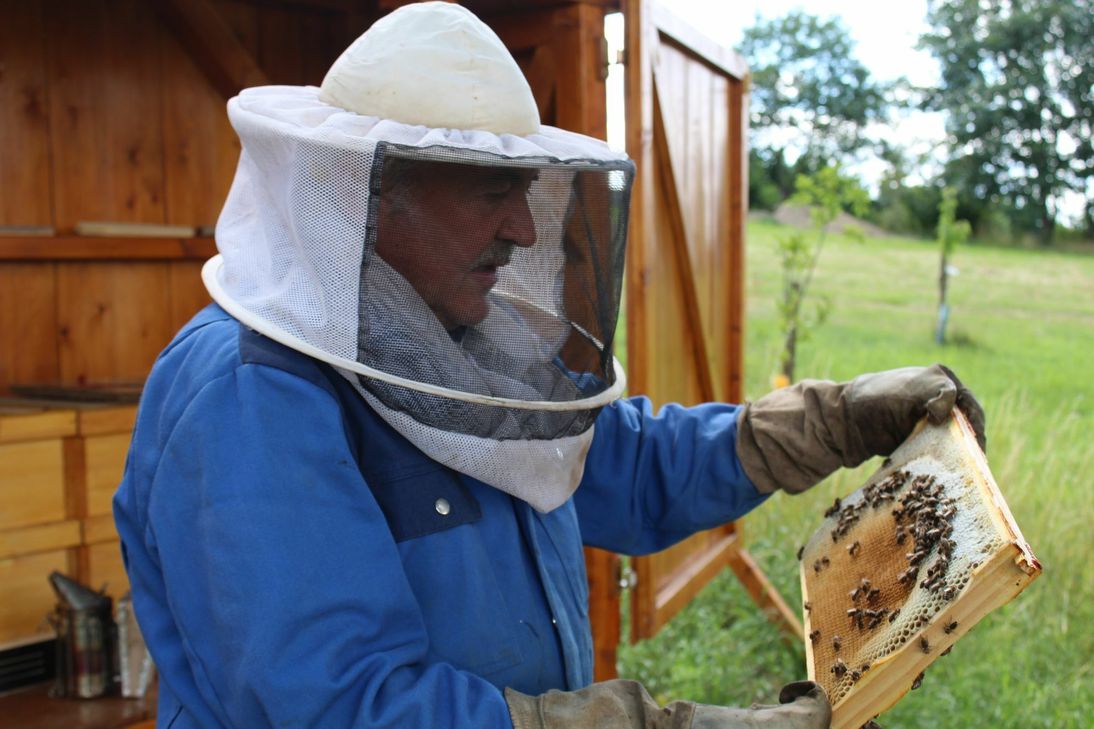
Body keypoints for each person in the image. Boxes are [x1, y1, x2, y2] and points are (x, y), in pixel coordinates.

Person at [112, 3, 985, 728]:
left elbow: (626, 463)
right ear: (379, 193)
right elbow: (340, 705)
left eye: (526, 190)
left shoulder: (456, 341)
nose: (525, 230)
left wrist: (827, 420)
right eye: (492, 191)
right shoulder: (247, 398)